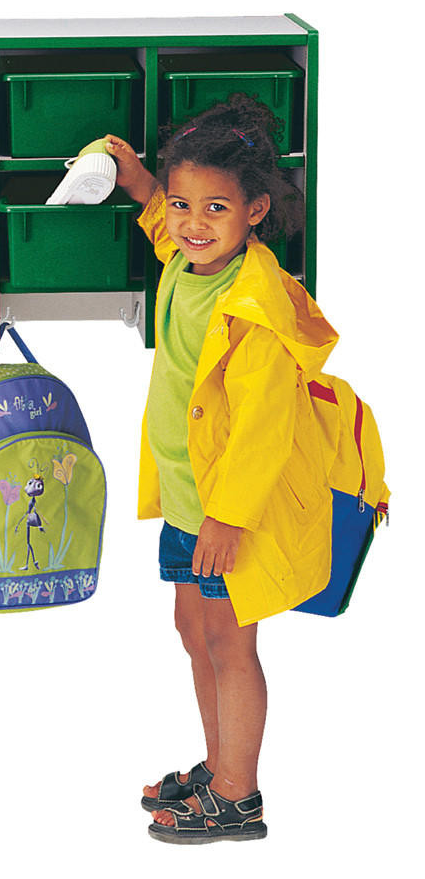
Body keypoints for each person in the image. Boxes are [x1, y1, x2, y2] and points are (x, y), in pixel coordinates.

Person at [105, 94, 338, 844]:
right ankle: (217, 765)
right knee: (192, 628)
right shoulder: (190, 257)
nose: (192, 223)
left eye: (215, 208)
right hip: (187, 497)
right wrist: (142, 184)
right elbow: (164, 228)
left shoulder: (252, 305)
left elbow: (266, 428)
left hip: (225, 510)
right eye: (183, 205)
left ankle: (238, 795)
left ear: (254, 212)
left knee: (231, 644)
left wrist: (229, 517)